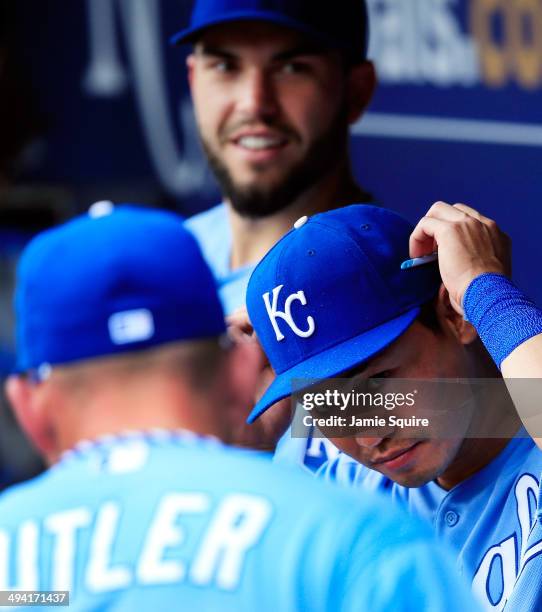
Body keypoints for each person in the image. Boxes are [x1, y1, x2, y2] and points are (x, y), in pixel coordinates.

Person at [0, 203, 476, 611]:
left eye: (380, 383)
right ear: (243, 371)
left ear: (26, 408)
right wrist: (494, 301)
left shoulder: (18, 572)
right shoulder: (356, 539)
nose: (370, 432)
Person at [245, 200, 542, 610]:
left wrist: (486, 294)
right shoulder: (344, 497)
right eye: (323, 403)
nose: (369, 434)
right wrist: (242, 449)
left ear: (455, 316)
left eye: (378, 381)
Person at [172, 0, 377, 468]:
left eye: (291, 68)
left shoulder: (395, 283)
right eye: (225, 65)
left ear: (356, 91)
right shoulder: (154, 270)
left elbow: (485, 418)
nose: (254, 103)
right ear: (193, 79)